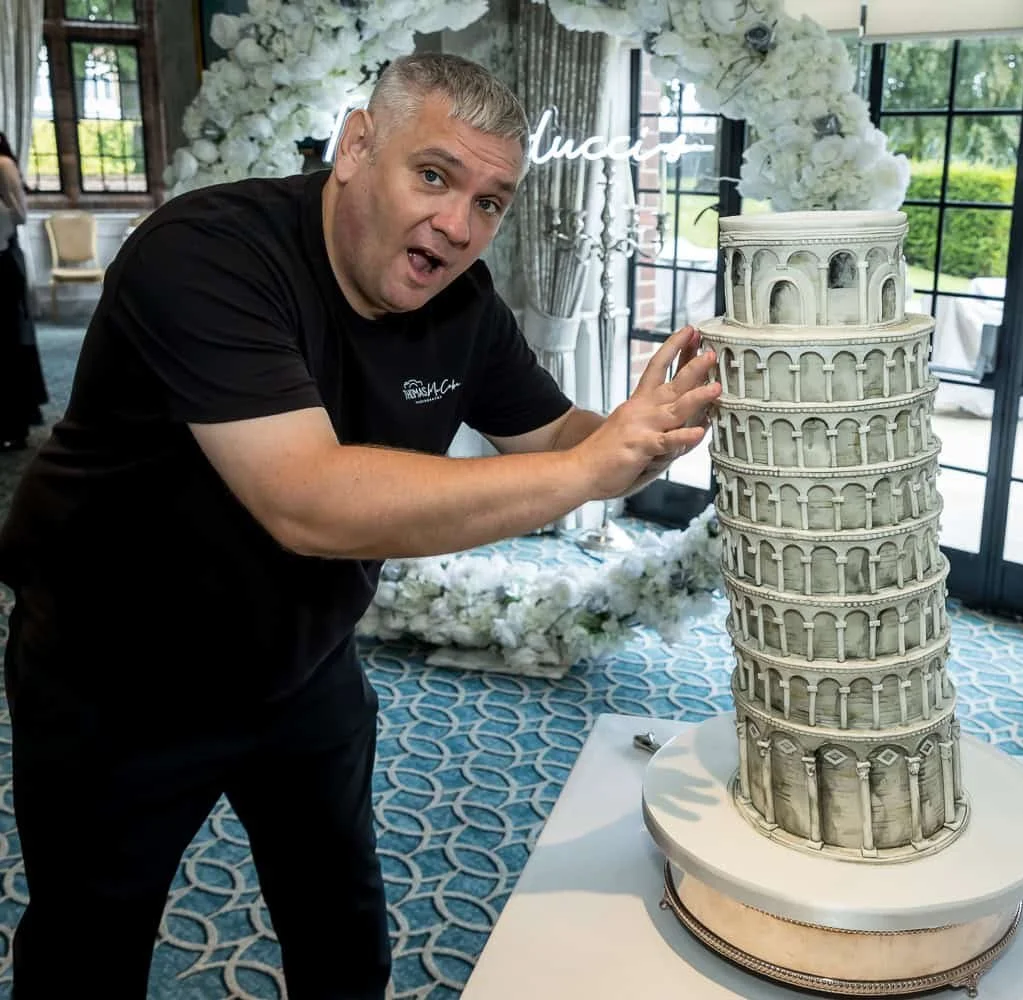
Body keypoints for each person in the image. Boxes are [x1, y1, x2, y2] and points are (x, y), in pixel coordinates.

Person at [0, 53, 719, 998]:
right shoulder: (207, 251)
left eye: (490, 203)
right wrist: (590, 466)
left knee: (341, 928)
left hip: (302, 665)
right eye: (434, 176)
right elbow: (307, 500)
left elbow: (552, 434)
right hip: (118, 676)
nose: (458, 227)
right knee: (87, 952)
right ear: (355, 146)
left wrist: (645, 434)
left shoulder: (462, 303)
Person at [0, 130, 45, 450]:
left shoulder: (3, 165)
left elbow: (19, 213)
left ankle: (15, 422)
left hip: (2, 261)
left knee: (8, 340)